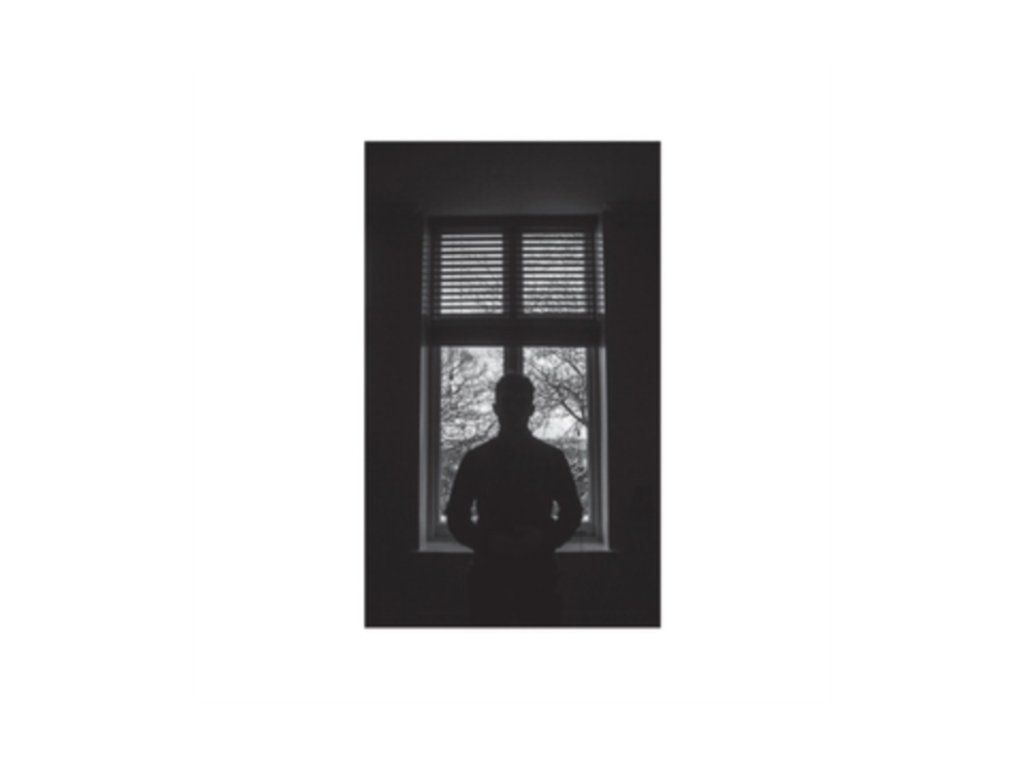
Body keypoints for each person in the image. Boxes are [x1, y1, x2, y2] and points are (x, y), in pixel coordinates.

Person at [445, 373, 583, 626]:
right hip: (532, 572)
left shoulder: (477, 458)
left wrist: (488, 542)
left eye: (518, 402)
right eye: (509, 402)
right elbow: (572, 513)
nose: (513, 409)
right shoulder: (551, 458)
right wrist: (543, 539)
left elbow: (456, 517)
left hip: (496, 572)